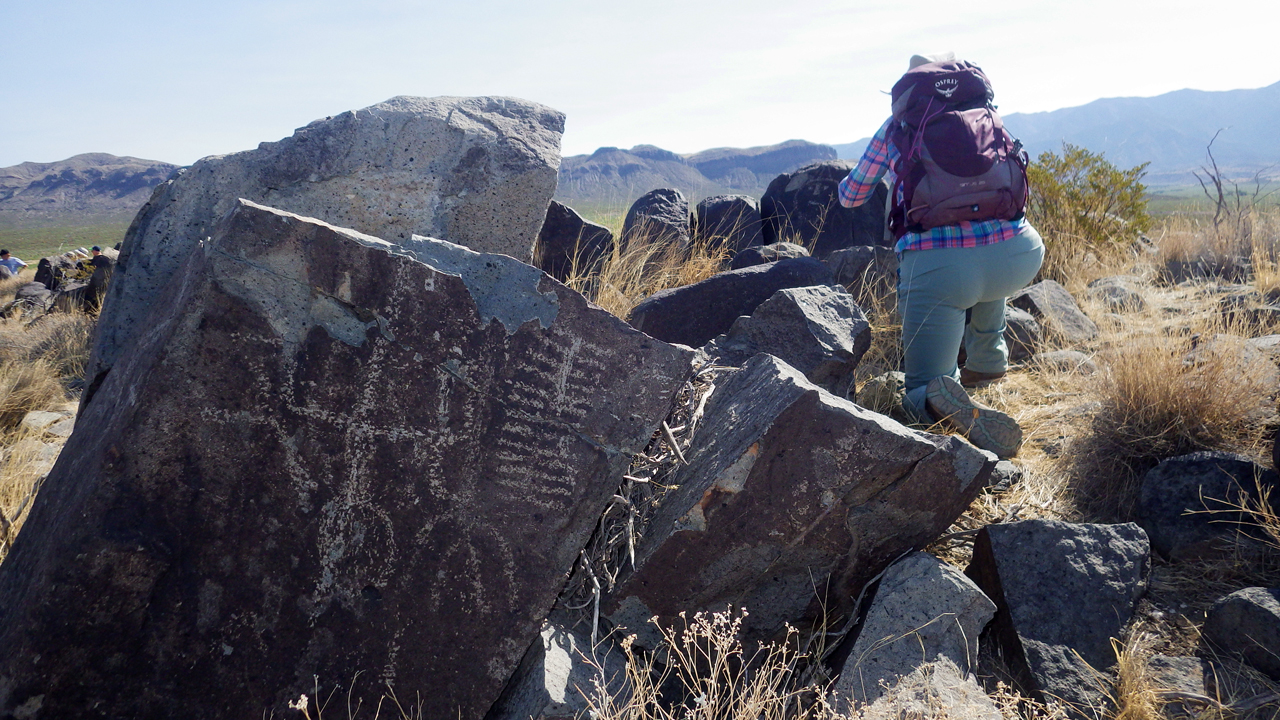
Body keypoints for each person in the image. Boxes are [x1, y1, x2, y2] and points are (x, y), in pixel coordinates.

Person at [838, 53, 1044, 458]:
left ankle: (939, 395)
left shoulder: (899, 126)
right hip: (1020, 255)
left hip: (941, 269)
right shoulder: (984, 113)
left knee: (920, 386)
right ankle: (988, 356)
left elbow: (851, 196)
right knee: (983, 258)